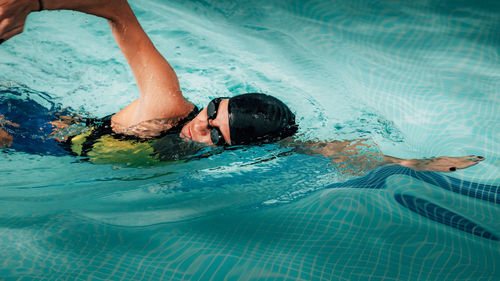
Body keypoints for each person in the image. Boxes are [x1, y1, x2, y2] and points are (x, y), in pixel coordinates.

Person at [0, 0, 484, 172]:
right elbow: (114, 6)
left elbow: (322, 149)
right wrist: (33, 3)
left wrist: (413, 163)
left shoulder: (236, 148)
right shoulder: (166, 107)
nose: (202, 126)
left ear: (232, 150)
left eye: (216, 133)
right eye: (213, 110)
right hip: (28, 131)